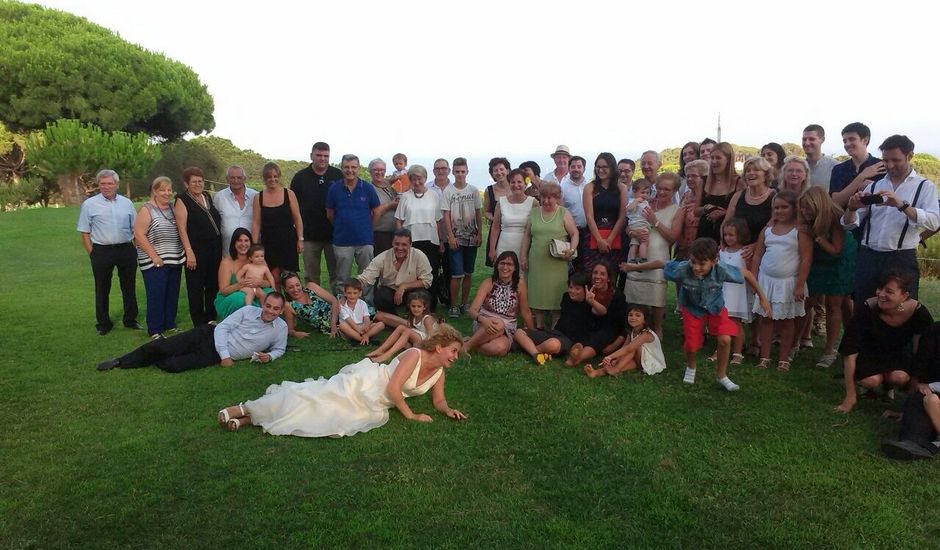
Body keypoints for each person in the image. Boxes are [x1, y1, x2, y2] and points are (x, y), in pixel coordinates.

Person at [216, 324, 467, 435]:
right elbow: (393, 387)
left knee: (322, 415)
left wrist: (448, 410)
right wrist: (411, 415)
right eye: (454, 351)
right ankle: (245, 407)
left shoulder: (439, 372)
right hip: (368, 383)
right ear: (439, 347)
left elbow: (439, 401)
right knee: (316, 395)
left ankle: (251, 419)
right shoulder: (415, 355)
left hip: (376, 403)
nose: (455, 357)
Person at [842, 134, 939, 304]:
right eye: (885, 160)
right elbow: (849, 224)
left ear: (910, 156)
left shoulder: (924, 187)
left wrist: (902, 205)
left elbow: (934, 221)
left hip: (901, 259)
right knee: (864, 308)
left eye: (896, 160)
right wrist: (852, 208)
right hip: (868, 256)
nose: (890, 165)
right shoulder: (875, 185)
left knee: (900, 312)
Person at [664, 238, 771, 391]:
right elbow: (662, 265)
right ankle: (691, 366)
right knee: (692, 343)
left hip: (715, 308)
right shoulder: (682, 268)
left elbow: (747, 274)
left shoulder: (722, 269)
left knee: (725, 339)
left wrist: (763, 298)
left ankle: (722, 375)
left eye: (702, 264)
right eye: (693, 262)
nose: (696, 268)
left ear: (714, 261)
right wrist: (635, 266)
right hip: (692, 308)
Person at [97, 292, 288, 373]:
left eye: (276, 309)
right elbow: (221, 327)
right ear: (263, 304)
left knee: (173, 366)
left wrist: (269, 356)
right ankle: (120, 361)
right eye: (268, 306)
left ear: (281, 310)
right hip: (208, 335)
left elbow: (280, 349)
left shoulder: (281, 328)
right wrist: (226, 357)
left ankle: (152, 358)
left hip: (212, 354)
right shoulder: (248, 311)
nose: (270, 311)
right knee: (164, 347)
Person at [836, 269, 934, 413]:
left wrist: (911, 401)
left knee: (900, 377)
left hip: (898, 356)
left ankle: (888, 386)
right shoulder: (867, 308)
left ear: (904, 295)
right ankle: (867, 386)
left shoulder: (919, 313)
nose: (881, 294)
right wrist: (850, 397)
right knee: (871, 380)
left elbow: (921, 354)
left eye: (889, 291)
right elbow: (849, 352)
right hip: (868, 354)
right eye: (880, 288)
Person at [751, 191, 812, 372]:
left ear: (794, 208)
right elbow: (757, 254)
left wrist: (800, 284)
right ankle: (765, 356)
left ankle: (784, 358)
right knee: (766, 319)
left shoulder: (799, 231)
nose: (779, 211)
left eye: (784, 207)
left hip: (788, 283)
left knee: (787, 322)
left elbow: (806, 258)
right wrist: (753, 279)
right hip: (766, 281)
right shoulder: (767, 230)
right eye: (776, 207)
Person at [77, 169, 140, 335]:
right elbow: (84, 232)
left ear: (116, 185)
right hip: (101, 251)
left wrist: (136, 249)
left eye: (110, 183)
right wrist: (92, 253)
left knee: (129, 287)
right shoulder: (89, 204)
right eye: (103, 183)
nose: (106, 187)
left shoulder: (127, 203)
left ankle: (130, 319)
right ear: (98, 185)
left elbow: (136, 228)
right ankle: (103, 323)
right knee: (102, 288)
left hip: (126, 249)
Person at [798, 187, 856, 368]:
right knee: (808, 300)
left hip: (839, 259)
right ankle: (794, 342)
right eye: (802, 208)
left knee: (834, 303)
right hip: (819, 257)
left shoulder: (835, 217)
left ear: (819, 206)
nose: (804, 212)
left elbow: (836, 251)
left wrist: (816, 237)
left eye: (808, 208)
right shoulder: (805, 218)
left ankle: (829, 350)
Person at [620, 173, 684, 337]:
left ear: (675, 190)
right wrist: (633, 232)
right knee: (634, 292)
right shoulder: (645, 203)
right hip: (636, 250)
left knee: (656, 295)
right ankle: (633, 328)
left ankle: (657, 328)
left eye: (667, 189)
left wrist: (655, 221)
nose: (662, 192)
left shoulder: (677, 210)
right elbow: (629, 225)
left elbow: (673, 237)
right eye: (660, 188)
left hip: (658, 256)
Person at [521, 182, 579, 329]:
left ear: (557, 198)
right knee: (537, 292)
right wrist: (523, 257)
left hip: (557, 262)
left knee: (557, 294)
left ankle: (555, 327)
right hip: (537, 260)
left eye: (550, 197)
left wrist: (571, 250)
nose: (546, 201)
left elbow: (574, 233)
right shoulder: (534, 213)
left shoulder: (563, 213)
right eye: (543, 197)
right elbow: (527, 236)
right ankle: (539, 326)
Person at [135, 176, 186, 339]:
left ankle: (169, 324)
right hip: (154, 262)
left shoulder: (173, 208)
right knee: (156, 294)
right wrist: (154, 256)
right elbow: (139, 235)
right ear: (155, 191)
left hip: (174, 259)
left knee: (172, 294)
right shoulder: (147, 209)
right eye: (162, 189)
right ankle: (155, 329)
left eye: (169, 189)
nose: (167, 193)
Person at [881, 322, 940, 460]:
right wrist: (906, 408)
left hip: (935, 387)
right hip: (933, 388)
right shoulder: (935, 331)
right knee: (918, 399)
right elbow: (919, 367)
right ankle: (914, 443)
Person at [514, 272, 599, 366]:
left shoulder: (590, 305)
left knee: (553, 345)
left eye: (577, 288)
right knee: (519, 332)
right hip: (555, 332)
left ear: (586, 289)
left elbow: (599, 314)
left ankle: (527, 348)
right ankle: (535, 354)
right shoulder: (566, 297)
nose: (572, 291)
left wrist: (591, 302)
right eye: (571, 287)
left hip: (569, 340)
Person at [174, 166, 222, 326]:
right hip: (196, 249)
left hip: (214, 248)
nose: (198, 184)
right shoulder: (182, 200)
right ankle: (198, 321)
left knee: (212, 284)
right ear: (186, 184)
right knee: (196, 286)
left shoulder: (207, 196)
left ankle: (210, 317)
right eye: (194, 182)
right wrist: (189, 251)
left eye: (200, 181)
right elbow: (181, 228)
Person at [291, 141, 342, 289]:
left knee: (336, 273)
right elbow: (294, 207)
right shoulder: (300, 177)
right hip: (309, 236)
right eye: (319, 155)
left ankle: (338, 304)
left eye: (326, 155)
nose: (322, 159)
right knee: (311, 275)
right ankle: (314, 304)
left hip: (334, 235)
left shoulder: (337, 175)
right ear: (311, 156)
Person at [327, 154, 381, 295]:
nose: (350, 170)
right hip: (342, 241)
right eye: (346, 167)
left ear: (358, 168)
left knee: (366, 276)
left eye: (353, 167)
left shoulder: (368, 188)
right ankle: (342, 308)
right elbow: (330, 214)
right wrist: (341, 225)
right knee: (342, 278)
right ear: (342, 168)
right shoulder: (334, 189)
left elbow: (377, 211)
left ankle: (367, 306)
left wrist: (368, 228)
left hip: (364, 241)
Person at [465, 251, 535, 357]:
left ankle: (470, 343)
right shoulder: (488, 282)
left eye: (509, 264)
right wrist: (483, 320)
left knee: (500, 349)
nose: (505, 267)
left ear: (515, 268)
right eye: (502, 263)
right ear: (497, 265)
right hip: (484, 323)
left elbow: (526, 312)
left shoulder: (520, 284)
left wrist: (533, 334)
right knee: (499, 324)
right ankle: (466, 347)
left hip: (508, 326)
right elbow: (472, 310)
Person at [356, 228, 433, 326]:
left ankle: (416, 319)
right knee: (380, 296)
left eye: (404, 245)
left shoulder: (419, 255)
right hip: (390, 292)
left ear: (410, 244)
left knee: (423, 295)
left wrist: (404, 286)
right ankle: (397, 320)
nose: (400, 248)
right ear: (392, 243)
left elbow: (427, 280)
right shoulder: (383, 257)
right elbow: (365, 278)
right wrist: (350, 289)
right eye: (397, 244)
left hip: (412, 291)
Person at [395, 165, 444, 310]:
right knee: (412, 275)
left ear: (425, 178)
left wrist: (441, 241)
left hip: (431, 240)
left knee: (431, 273)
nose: (417, 182)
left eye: (420, 179)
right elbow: (398, 220)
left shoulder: (434, 195)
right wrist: (401, 241)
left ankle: (430, 307)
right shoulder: (405, 196)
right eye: (413, 179)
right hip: (412, 241)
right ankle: (413, 307)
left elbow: (438, 220)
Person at [564, 261, 626, 368]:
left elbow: (623, 325)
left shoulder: (617, 296)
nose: (597, 276)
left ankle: (576, 358)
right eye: (595, 273)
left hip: (609, 331)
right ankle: (575, 355)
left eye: (602, 274)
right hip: (590, 327)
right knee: (586, 337)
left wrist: (614, 346)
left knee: (597, 339)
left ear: (609, 278)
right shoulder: (587, 290)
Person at [441, 157, 482, 318]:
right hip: (456, 238)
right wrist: (450, 236)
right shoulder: (448, 191)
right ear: (453, 172)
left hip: (471, 237)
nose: (460, 174)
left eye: (462, 171)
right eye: (457, 171)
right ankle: (453, 305)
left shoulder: (473, 190)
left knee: (468, 273)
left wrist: (479, 233)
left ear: (467, 172)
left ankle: (465, 303)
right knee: (456, 274)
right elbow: (446, 214)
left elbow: (478, 212)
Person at [252, 162, 303, 285]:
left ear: (279, 177)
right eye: (269, 177)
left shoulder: (289, 194)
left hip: (288, 241)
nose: (272, 179)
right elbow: (256, 223)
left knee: (289, 277)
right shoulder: (258, 197)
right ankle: (276, 303)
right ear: (264, 179)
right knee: (273, 277)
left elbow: (297, 218)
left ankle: (291, 303)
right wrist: (254, 246)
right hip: (269, 242)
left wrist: (300, 239)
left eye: (275, 176)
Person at [585, 304, 665, 378]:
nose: (633, 317)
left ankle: (615, 370)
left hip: (651, 361)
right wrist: (617, 359)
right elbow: (624, 346)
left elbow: (628, 349)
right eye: (630, 315)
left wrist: (610, 356)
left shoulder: (646, 334)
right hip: (639, 359)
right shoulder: (632, 331)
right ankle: (595, 373)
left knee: (633, 349)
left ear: (645, 320)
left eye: (637, 315)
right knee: (620, 364)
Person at [723, 156, 776, 260]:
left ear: (766, 174)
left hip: (762, 254)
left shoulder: (774, 196)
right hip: (736, 254)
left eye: (756, 170)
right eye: (748, 171)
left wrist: (755, 246)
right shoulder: (737, 196)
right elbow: (726, 223)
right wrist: (723, 242)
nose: (751, 173)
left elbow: (774, 229)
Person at [716, 218, 753, 365]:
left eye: (731, 235)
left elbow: (748, 272)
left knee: (737, 322)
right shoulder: (722, 252)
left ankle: (737, 352)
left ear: (740, 235)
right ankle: (720, 349)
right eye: (726, 235)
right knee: (722, 321)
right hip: (724, 290)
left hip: (737, 291)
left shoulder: (744, 252)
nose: (728, 238)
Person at [583, 152, 628, 272]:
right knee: (592, 274)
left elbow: (622, 216)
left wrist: (610, 239)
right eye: (598, 166)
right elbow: (589, 216)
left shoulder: (621, 188)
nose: (600, 170)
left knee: (611, 275)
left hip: (615, 236)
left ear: (612, 168)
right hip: (593, 236)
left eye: (605, 167)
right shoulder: (590, 188)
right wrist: (599, 240)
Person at [367, 290, 437, 364]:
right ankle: (380, 350)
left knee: (407, 331)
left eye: (419, 306)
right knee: (401, 327)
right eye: (413, 306)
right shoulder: (413, 317)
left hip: (427, 343)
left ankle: (387, 355)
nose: (416, 309)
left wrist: (426, 351)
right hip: (418, 340)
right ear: (409, 305)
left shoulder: (427, 319)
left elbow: (432, 337)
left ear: (424, 307)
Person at [214, 228, 266, 320]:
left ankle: (264, 320)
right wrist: (241, 285)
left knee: (269, 293)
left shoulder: (258, 258)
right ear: (234, 243)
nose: (243, 244)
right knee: (240, 298)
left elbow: (268, 283)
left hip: (256, 290)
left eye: (246, 240)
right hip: (231, 296)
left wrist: (259, 282)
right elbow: (224, 291)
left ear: (251, 243)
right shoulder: (226, 262)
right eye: (239, 241)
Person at [830, 122, 884, 209]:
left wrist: (873, 187)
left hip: (873, 220)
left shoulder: (881, 166)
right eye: (845, 141)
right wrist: (862, 176)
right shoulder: (839, 169)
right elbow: (836, 202)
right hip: (843, 220)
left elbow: (885, 199)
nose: (847, 144)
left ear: (865, 140)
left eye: (852, 139)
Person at [489, 168, 536, 264]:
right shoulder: (501, 202)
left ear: (525, 183)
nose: (516, 185)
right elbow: (495, 227)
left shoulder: (533, 203)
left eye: (519, 182)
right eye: (513, 182)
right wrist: (492, 249)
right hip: (504, 245)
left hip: (524, 247)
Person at [695, 142, 739, 244]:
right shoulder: (704, 181)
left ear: (728, 160)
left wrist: (725, 213)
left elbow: (743, 212)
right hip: (704, 235)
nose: (714, 161)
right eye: (712, 158)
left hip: (727, 237)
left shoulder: (739, 182)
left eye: (718, 158)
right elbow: (696, 211)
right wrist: (707, 208)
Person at [280, 271, 338, 339]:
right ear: (285, 289)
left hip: (337, 312)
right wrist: (295, 333)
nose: (295, 289)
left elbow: (334, 301)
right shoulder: (289, 305)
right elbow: (290, 330)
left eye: (297, 285)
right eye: (291, 287)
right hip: (328, 326)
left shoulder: (311, 287)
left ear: (301, 284)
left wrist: (333, 323)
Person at [213, 165, 257, 253]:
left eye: (239, 177)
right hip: (228, 252)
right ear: (227, 179)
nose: (236, 181)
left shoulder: (256, 196)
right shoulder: (219, 197)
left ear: (244, 178)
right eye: (232, 178)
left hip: (251, 253)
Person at [560, 155, 589, 269]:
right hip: (570, 233)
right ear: (568, 168)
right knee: (572, 265)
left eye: (579, 166)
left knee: (586, 264)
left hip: (588, 231)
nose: (576, 169)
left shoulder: (590, 185)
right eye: (573, 167)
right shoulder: (563, 187)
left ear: (584, 169)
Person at [675, 159, 707, 260]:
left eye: (694, 176)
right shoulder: (685, 196)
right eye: (688, 176)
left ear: (703, 177)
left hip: (702, 247)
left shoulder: (707, 198)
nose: (689, 179)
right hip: (683, 246)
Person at [482, 157, 511, 267]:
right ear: (492, 174)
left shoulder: (516, 186)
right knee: (499, 264)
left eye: (501, 169)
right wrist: (494, 219)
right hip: (496, 231)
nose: (499, 173)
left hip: (514, 231)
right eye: (495, 170)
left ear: (507, 170)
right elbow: (486, 211)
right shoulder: (489, 190)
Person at [368, 158, 400, 256]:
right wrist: (391, 205)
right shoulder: (368, 188)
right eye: (376, 170)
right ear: (370, 171)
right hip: (379, 234)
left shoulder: (391, 185)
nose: (379, 172)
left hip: (395, 233)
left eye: (382, 170)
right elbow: (372, 211)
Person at [338, 279, 385, 345]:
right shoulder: (342, 306)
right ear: (345, 293)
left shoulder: (362, 303)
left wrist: (367, 326)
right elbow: (350, 321)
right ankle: (363, 340)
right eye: (349, 293)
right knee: (342, 326)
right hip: (351, 328)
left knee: (381, 324)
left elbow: (366, 317)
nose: (352, 296)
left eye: (355, 293)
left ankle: (365, 337)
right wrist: (359, 330)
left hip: (362, 327)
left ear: (360, 293)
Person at [802, 124, 837, 191]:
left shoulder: (835, 167)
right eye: (804, 139)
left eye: (811, 139)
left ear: (822, 140)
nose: (806, 143)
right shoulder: (798, 167)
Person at [625, 179, 652, 263]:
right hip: (637, 224)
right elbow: (628, 209)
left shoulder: (646, 202)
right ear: (634, 192)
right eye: (642, 192)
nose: (645, 195)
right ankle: (643, 257)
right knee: (644, 241)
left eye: (647, 193)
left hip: (640, 225)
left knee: (635, 243)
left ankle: (632, 258)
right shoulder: (632, 201)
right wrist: (636, 201)